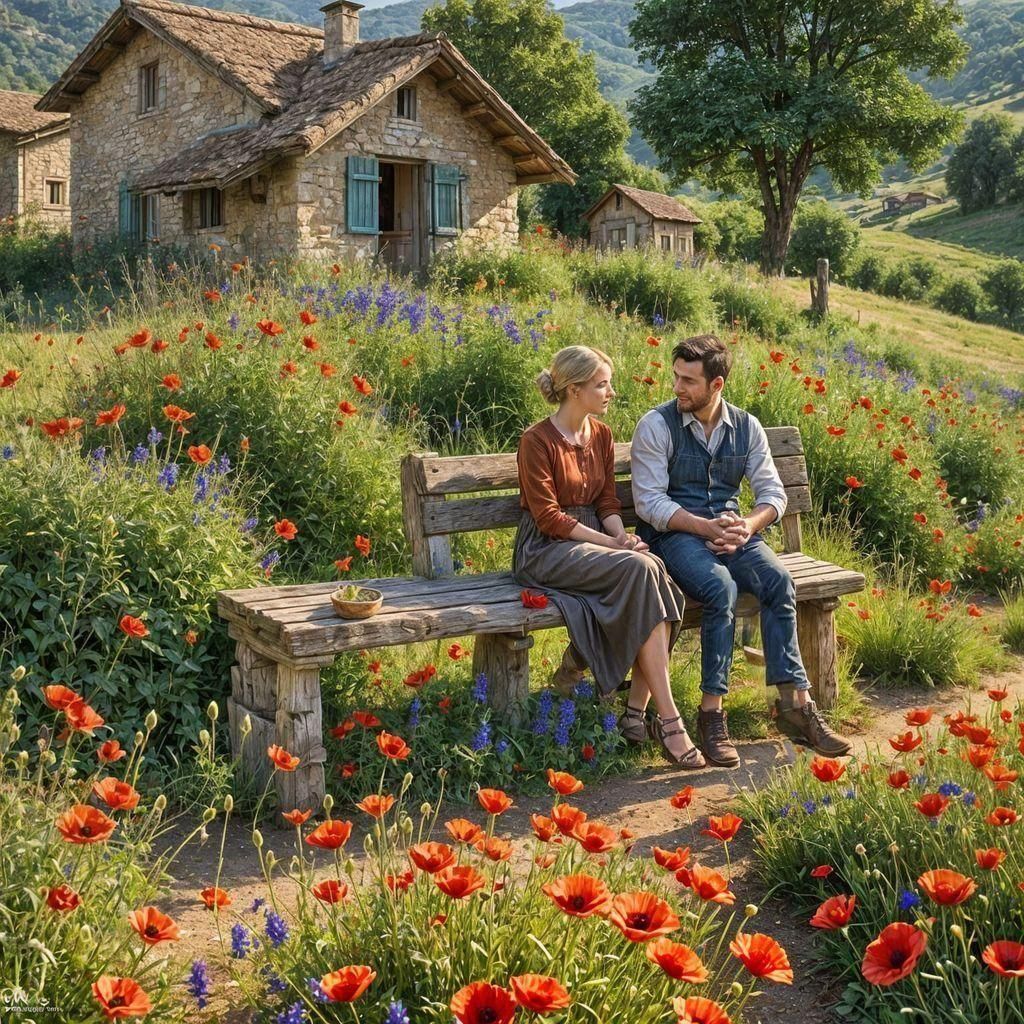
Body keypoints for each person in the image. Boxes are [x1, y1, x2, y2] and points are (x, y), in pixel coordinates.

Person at [631, 333, 852, 767]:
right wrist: (701, 525)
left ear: (716, 385)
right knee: (719, 589)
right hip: (676, 535)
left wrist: (747, 526)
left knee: (777, 580)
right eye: (676, 376)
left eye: (688, 380)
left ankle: (795, 705)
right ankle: (712, 715)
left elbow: (773, 493)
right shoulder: (656, 425)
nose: (677, 387)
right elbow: (649, 503)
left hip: (734, 532)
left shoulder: (745, 426)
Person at [513, 345, 704, 768]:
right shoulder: (536, 441)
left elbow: (606, 502)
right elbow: (548, 518)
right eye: (602, 384)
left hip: (594, 542)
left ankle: (634, 711)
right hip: (545, 550)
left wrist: (622, 537)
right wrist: (611, 546)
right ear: (575, 389)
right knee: (641, 568)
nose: (610, 393)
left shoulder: (599, 435)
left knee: (650, 564)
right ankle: (668, 721)